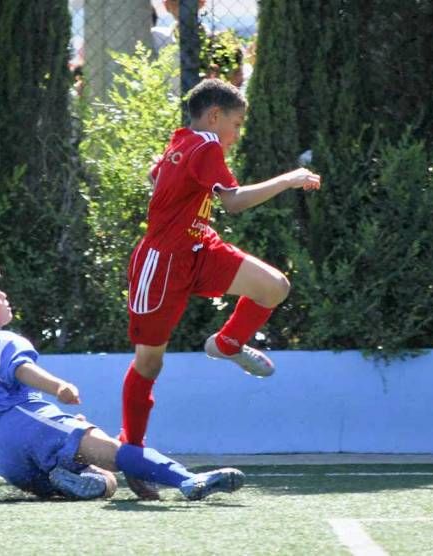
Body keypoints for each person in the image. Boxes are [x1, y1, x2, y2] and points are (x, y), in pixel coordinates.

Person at [120, 79, 321, 497]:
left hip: (200, 248)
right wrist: (289, 179)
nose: (237, 134)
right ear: (214, 116)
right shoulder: (205, 144)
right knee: (149, 364)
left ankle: (227, 343)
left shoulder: (185, 141)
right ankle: (133, 456)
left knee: (273, 287)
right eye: (237, 123)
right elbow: (231, 201)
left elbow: (158, 175)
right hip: (162, 264)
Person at [0, 259, 244, 502]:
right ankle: (186, 479)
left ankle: (66, 476)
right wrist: (58, 388)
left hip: (6, 458)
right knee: (117, 451)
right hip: (27, 425)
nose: (4, 294)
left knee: (106, 483)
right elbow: (21, 369)